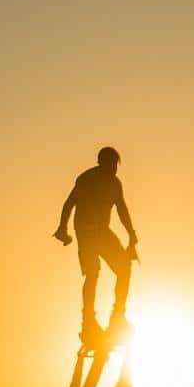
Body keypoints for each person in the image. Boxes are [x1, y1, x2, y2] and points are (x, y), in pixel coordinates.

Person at [53, 146, 139, 347]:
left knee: (124, 268)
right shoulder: (86, 179)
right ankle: (88, 321)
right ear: (101, 162)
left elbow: (122, 209)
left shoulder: (115, 183)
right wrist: (62, 228)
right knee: (93, 273)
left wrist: (131, 234)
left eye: (115, 165)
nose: (113, 169)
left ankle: (117, 317)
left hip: (103, 231)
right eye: (110, 164)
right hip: (85, 233)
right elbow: (69, 203)